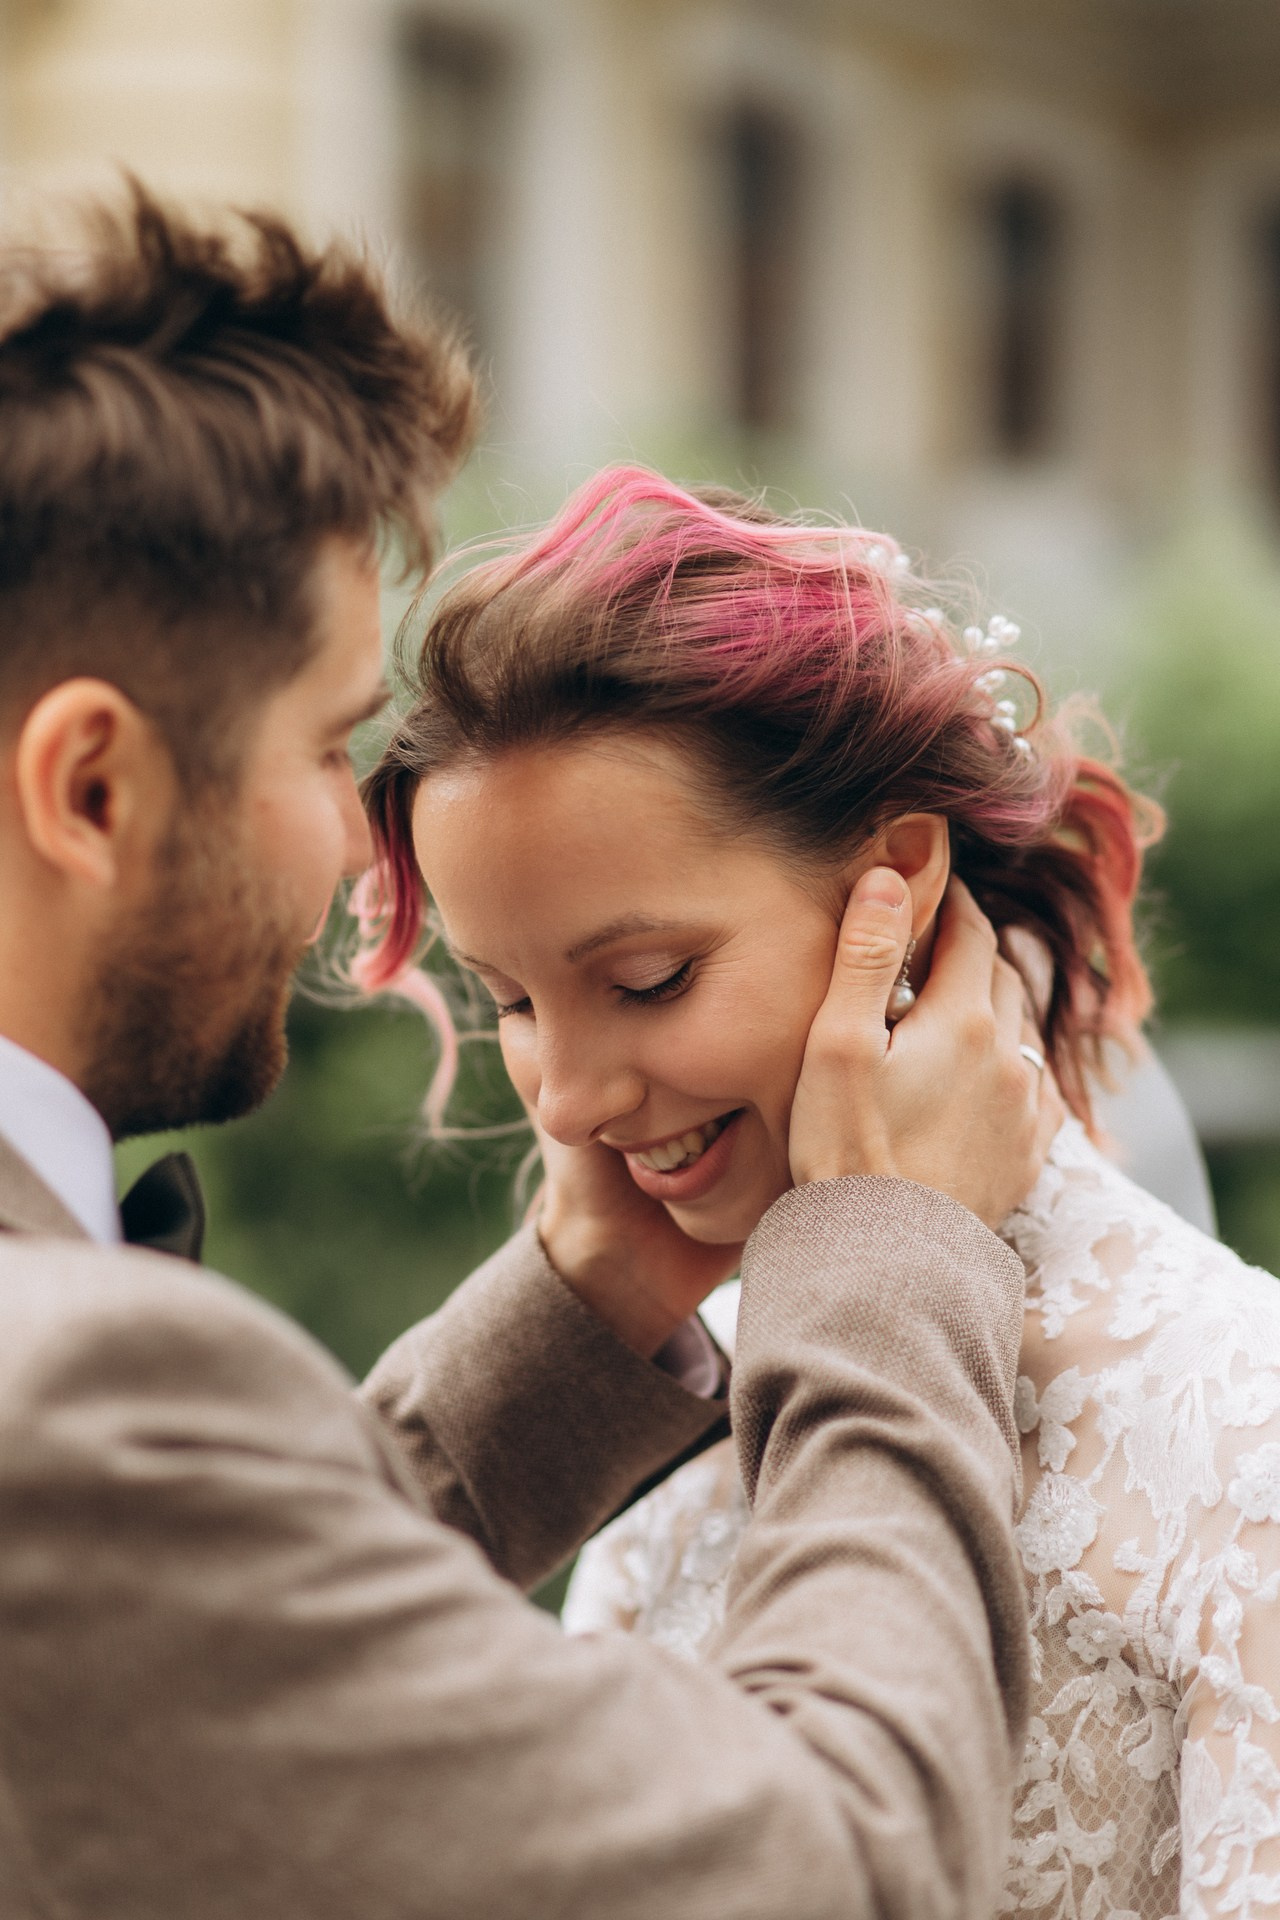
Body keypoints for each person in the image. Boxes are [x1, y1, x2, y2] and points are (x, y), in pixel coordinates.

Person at [0, 186, 1055, 1919]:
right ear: (92, 787)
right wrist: (883, 1255)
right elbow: (844, 1873)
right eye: (329, 745)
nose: (357, 845)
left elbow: (180, 1681)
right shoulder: (67, 1399)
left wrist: (572, 1307)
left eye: (642, 974)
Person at [361, 465, 1280, 1920]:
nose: (565, 1097)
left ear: (895, 884)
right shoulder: (668, 1457)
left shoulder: (1245, 1421)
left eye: (647, 978)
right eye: (512, 1000)